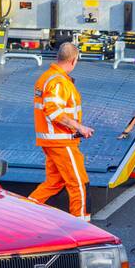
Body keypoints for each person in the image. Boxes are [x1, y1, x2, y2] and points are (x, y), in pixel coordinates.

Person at [28, 42, 94, 221]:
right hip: (61, 141)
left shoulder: (49, 77)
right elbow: (53, 111)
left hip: (54, 140)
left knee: (54, 183)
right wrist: (79, 127)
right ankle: (82, 225)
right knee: (78, 182)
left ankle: (26, 210)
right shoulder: (57, 82)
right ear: (74, 60)